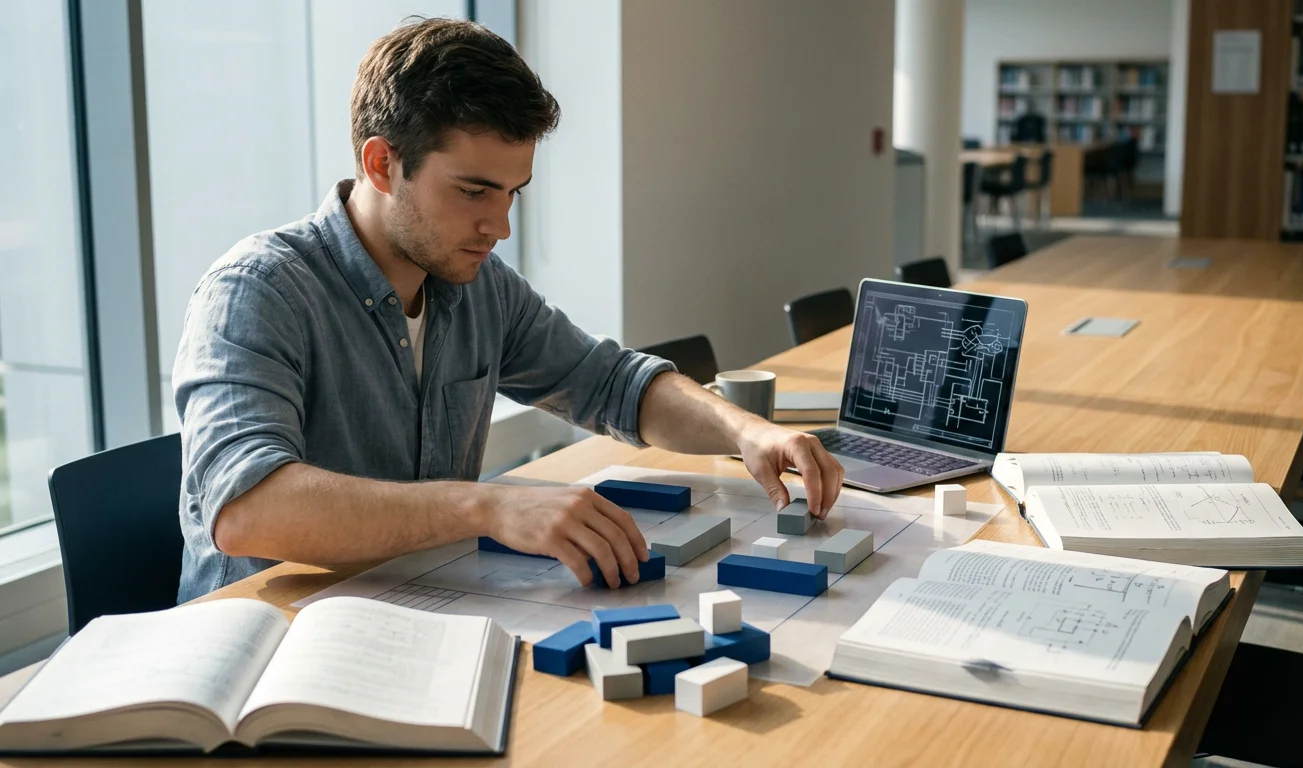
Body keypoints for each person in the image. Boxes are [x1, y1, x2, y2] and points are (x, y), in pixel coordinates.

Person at [172, 17, 844, 602]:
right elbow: (248, 509)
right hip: (268, 651)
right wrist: (488, 506)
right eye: (473, 191)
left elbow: (611, 382)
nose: (499, 226)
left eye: (513, 193)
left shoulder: (478, 285)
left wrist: (744, 431)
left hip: (415, 605)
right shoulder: (256, 291)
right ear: (382, 164)